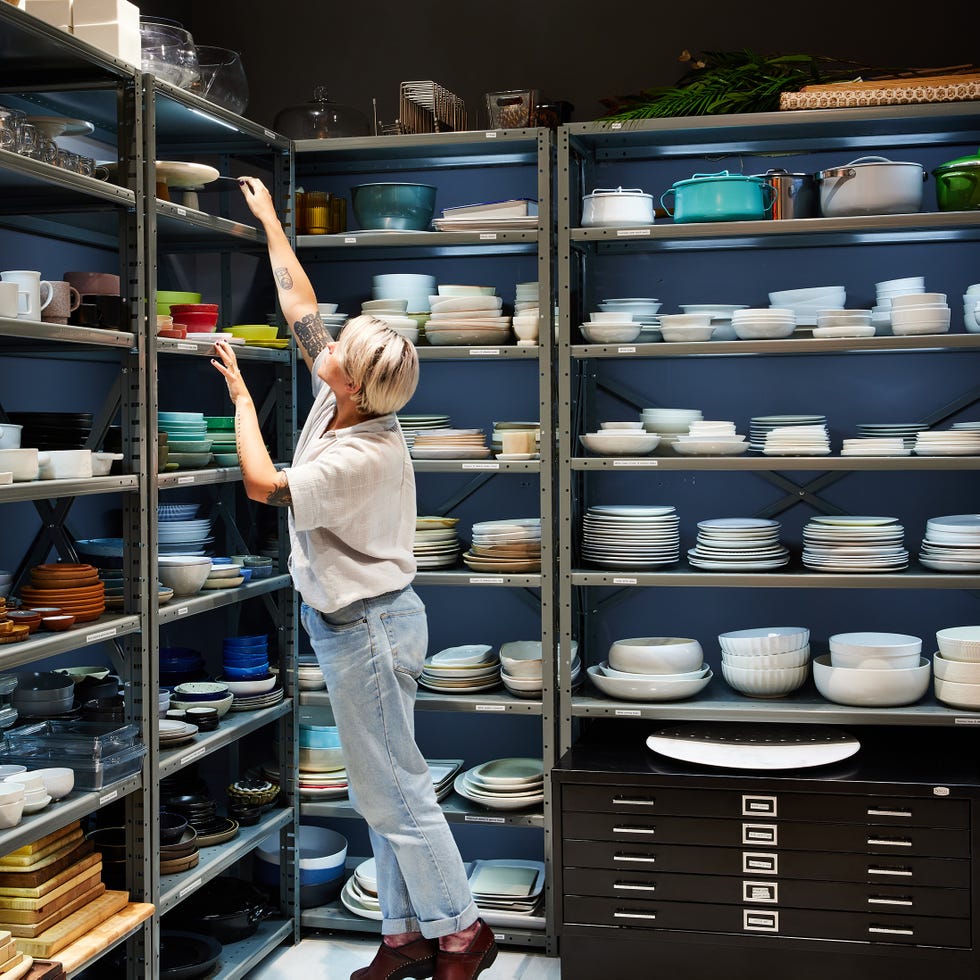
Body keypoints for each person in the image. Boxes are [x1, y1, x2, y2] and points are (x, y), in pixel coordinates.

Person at [210, 175, 497, 980]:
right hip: (367, 622)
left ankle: (464, 930)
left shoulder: (355, 454)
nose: (324, 345)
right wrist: (270, 219)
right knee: (380, 790)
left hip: (367, 627)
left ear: (353, 383)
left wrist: (239, 396)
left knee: (397, 788)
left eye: (337, 351)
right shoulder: (349, 403)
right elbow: (299, 300)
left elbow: (263, 485)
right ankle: (404, 939)